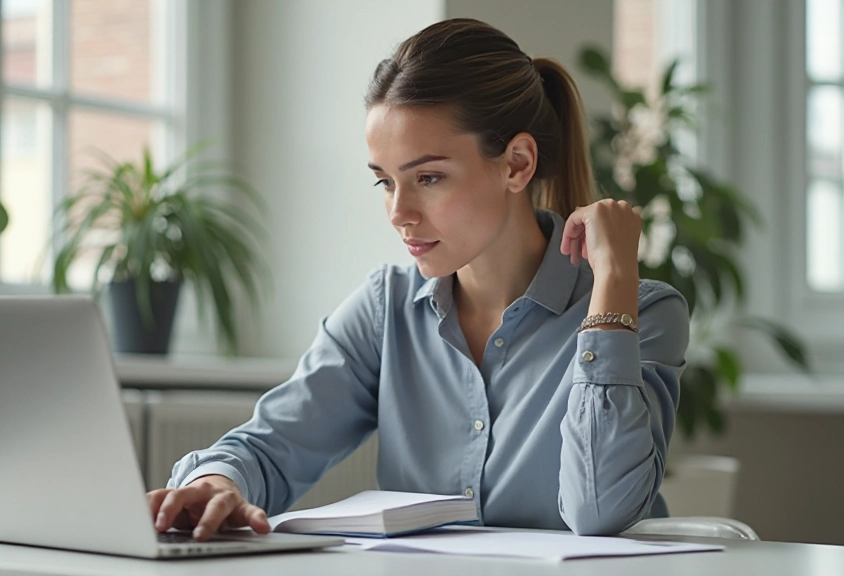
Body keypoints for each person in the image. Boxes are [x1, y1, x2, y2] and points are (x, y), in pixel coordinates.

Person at [147, 18, 687, 542]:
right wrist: (215, 484)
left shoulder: (644, 313)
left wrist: (614, 279)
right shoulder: (387, 309)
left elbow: (599, 509)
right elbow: (271, 445)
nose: (399, 213)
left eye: (428, 177)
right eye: (385, 182)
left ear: (517, 164)